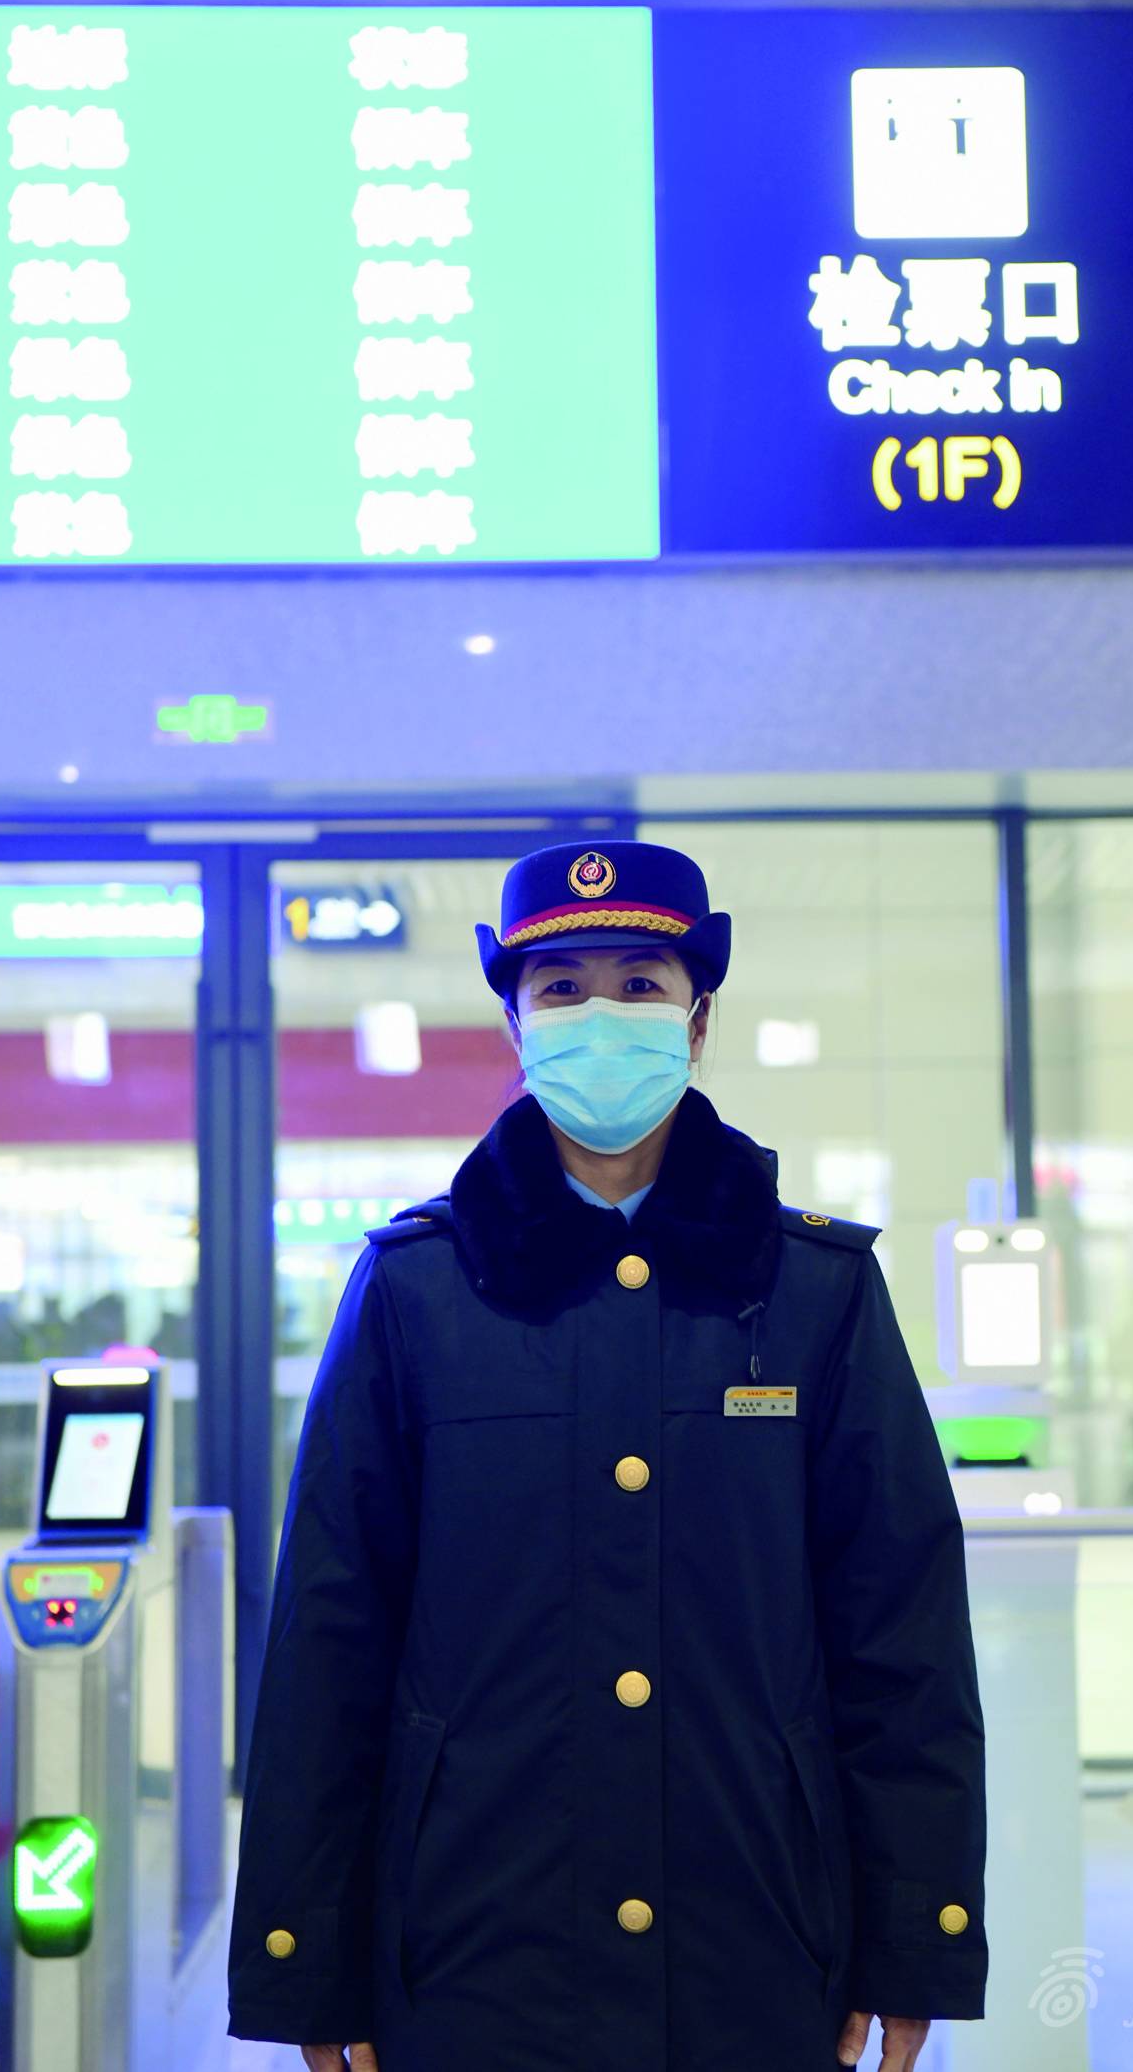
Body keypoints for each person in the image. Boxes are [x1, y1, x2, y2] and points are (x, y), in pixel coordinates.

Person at [226, 837, 988, 2072]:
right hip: (472, 1937)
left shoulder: (815, 1289)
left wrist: (917, 1934)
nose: (600, 1013)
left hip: (758, 1929)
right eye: (561, 985)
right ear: (515, 1023)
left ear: (697, 1020)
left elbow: (899, 1635)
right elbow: (331, 1636)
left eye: (639, 982)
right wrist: (304, 1956)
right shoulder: (416, 1290)